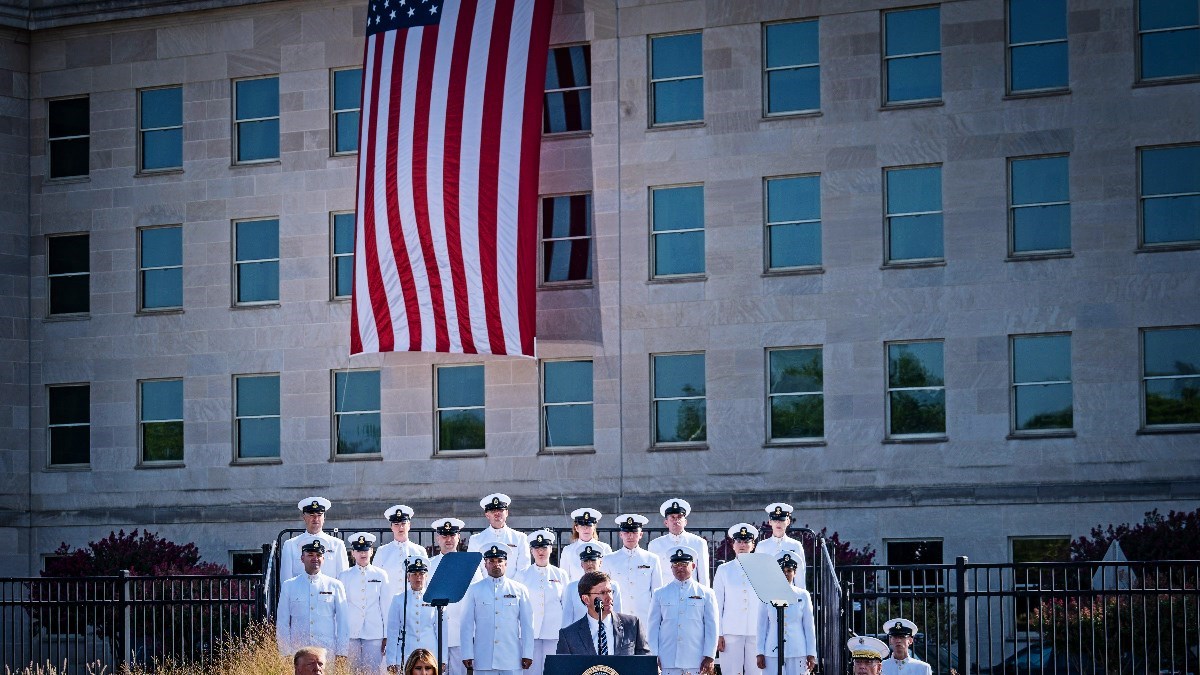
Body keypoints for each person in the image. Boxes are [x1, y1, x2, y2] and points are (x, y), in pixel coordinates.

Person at [460, 545, 534, 675]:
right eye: (491, 561)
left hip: (511, 657)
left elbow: (527, 624)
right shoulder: (474, 589)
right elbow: (466, 624)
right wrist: (467, 653)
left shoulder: (519, 589)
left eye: (499, 561)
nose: (496, 564)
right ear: (485, 564)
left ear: (506, 563)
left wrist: (528, 653)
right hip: (483, 658)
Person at [648, 545, 719, 675]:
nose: (679, 568)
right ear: (671, 567)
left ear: (693, 566)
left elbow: (712, 627)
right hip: (668, 659)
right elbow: (653, 627)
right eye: (675, 564)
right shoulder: (660, 593)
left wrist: (710, 655)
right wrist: (654, 655)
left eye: (684, 564)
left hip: (696, 659)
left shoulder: (706, 593)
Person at [277, 539, 350, 660]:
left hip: (327, 652)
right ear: (302, 558)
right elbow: (283, 622)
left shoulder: (335, 585)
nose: (315, 558)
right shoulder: (289, 586)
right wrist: (285, 653)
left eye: (318, 555)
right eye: (310, 555)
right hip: (298, 652)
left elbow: (343, 623)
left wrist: (342, 652)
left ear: (323, 559)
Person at [555, 571, 650, 656]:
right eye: (602, 593)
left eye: (610, 591)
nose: (609, 597)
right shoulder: (569, 635)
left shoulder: (632, 625)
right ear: (586, 599)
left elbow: (645, 663)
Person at [428, 517, 479, 675]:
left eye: (452, 535)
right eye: (444, 536)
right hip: (434, 635)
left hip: (460, 634)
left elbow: (477, 598)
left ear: (458, 537)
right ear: (437, 538)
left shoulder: (470, 565)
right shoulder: (428, 565)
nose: (448, 540)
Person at [514, 530, 568, 675]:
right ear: (531, 551)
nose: (540, 551)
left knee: (554, 670)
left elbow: (566, 603)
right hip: (530, 632)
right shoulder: (522, 575)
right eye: (536, 548)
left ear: (551, 549)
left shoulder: (560, 574)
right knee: (531, 671)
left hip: (554, 631)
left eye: (544, 547)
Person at [755, 551, 816, 675]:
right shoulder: (766, 594)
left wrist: (811, 653)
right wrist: (759, 652)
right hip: (772, 650)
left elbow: (809, 626)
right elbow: (761, 626)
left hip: (797, 650)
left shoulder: (802, 595)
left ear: (794, 573)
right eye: (782, 571)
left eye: (789, 571)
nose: (785, 574)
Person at [339, 532, 390, 675]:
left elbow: (385, 606)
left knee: (373, 671)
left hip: (374, 632)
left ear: (372, 551)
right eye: (359, 550)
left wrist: (386, 634)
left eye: (366, 550)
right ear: (353, 553)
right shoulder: (344, 576)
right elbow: (341, 608)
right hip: (351, 632)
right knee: (352, 671)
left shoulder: (380, 575)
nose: (363, 554)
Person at [715, 523, 761, 675]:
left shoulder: (763, 569)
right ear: (733, 545)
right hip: (731, 632)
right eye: (739, 541)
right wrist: (719, 633)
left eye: (746, 541)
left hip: (756, 631)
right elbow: (717, 604)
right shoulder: (724, 570)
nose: (742, 545)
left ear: (752, 545)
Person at [606, 513, 663, 626]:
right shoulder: (609, 560)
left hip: (644, 618)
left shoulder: (652, 559)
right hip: (618, 617)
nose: (630, 536)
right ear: (620, 534)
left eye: (634, 532)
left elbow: (657, 592)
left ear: (641, 534)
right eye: (626, 532)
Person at [386, 557, 442, 672]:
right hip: (406, 652)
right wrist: (391, 660)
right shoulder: (398, 599)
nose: (418, 577)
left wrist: (443, 658)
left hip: (430, 652)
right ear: (408, 577)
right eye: (414, 574)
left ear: (426, 576)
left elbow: (441, 631)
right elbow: (393, 632)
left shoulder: (435, 599)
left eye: (421, 574)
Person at [280, 497, 349, 581]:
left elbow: (344, 579)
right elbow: (286, 580)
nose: (316, 519)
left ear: (324, 517)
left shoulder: (337, 545)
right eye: (311, 515)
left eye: (319, 515)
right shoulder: (291, 545)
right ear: (304, 517)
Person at [647, 499, 711, 586]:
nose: (676, 520)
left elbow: (704, 575)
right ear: (666, 522)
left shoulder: (698, 543)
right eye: (672, 517)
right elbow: (652, 576)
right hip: (666, 595)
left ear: (685, 522)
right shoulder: (655, 545)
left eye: (679, 517)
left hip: (691, 595)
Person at [560, 544, 624, 629]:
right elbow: (567, 619)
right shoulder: (572, 588)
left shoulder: (613, 586)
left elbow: (617, 615)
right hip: (580, 635)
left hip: (606, 633)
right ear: (581, 564)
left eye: (593, 560)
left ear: (600, 562)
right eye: (586, 561)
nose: (589, 563)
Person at [467, 493, 529, 577]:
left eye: (500, 510)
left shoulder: (520, 538)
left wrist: (511, 588)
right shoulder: (476, 540)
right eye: (493, 511)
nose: (497, 513)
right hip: (484, 589)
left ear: (506, 513)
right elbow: (473, 570)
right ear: (487, 515)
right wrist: (482, 588)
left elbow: (523, 569)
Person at [376, 505, 428, 598]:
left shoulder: (419, 551)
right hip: (388, 604)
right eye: (396, 524)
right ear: (391, 527)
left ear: (409, 525)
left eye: (403, 523)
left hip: (412, 604)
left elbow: (425, 582)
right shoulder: (382, 551)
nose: (400, 527)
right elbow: (376, 581)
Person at [758, 504, 805, 589]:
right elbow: (758, 575)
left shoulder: (795, 545)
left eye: (781, 520)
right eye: (775, 520)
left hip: (790, 594)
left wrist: (800, 597)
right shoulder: (762, 546)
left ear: (788, 521)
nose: (778, 523)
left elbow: (800, 576)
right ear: (770, 522)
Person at [559, 508, 613, 581]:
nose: (586, 529)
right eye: (582, 526)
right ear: (576, 528)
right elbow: (563, 578)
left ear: (594, 527)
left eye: (589, 525)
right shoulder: (568, 550)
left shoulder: (605, 548)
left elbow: (609, 576)